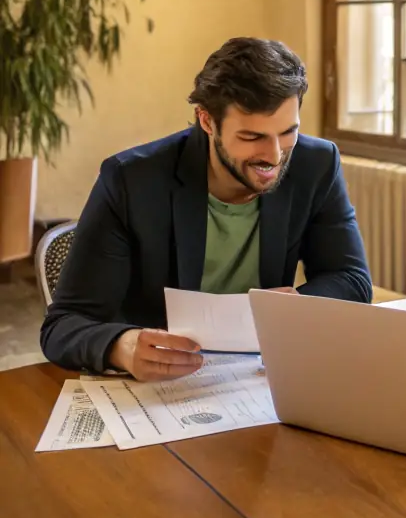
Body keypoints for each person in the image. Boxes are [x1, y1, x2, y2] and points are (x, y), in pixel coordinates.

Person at [40, 37, 372, 379]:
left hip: (258, 384)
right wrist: (120, 346)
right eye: (252, 137)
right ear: (207, 121)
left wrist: (293, 309)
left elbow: (351, 280)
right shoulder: (131, 180)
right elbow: (63, 325)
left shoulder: (316, 164)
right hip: (160, 389)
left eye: (288, 133)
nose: (274, 156)